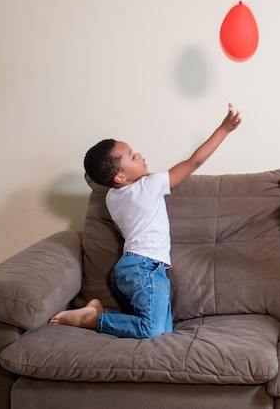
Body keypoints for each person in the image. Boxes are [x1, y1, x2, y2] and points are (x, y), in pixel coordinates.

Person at [49, 103, 242, 339]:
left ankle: (99, 311)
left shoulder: (111, 197)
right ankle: (92, 320)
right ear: (120, 176)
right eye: (132, 156)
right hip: (145, 268)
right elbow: (193, 163)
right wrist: (224, 129)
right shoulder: (148, 185)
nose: (139, 155)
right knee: (152, 331)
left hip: (132, 269)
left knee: (163, 334)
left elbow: (123, 231)